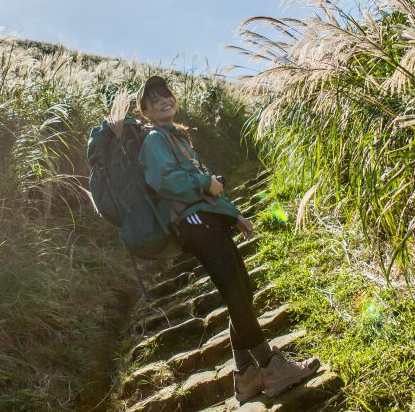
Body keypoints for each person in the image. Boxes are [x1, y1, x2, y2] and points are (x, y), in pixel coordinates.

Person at [136, 75, 320, 402]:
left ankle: (245, 377)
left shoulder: (176, 137)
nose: (164, 100)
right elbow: (164, 181)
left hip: (207, 218)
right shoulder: (153, 140)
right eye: (154, 99)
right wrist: (204, 184)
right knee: (234, 288)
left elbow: (207, 185)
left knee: (242, 288)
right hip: (191, 222)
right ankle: (270, 365)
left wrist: (234, 213)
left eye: (167, 94)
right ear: (146, 111)